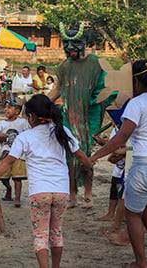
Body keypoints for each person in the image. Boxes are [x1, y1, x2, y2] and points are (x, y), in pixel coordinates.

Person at [0, 94, 94, 268]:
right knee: (56, 232)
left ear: (31, 117)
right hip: (61, 192)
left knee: (40, 235)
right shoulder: (63, 132)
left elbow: (9, 161)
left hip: (39, 192)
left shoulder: (26, 137)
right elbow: (80, 156)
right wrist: (89, 164)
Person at [90, 60, 147, 268]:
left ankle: (140, 262)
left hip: (146, 167)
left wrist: (96, 156)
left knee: (132, 214)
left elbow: (122, 136)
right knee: (145, 205)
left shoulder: (136, 104)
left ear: (136, 82)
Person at [48, 22, 116, 209]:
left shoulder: (96, 64)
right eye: (66, 44)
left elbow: (107, 89)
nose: (71, 48)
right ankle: (72, 195)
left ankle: (87, 193)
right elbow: (57, 91)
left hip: (89, 117)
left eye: (75, 43)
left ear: (84, 42)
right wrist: (42, 104)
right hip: (69, 116)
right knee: (69, 157)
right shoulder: (62, 67)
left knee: (85, 155)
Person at [0, 99, 30, 207]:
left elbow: (28, 134)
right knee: (3, 177)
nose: (6, 109)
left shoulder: (22, 122)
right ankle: (8, 189)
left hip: (19, 155)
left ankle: (17, 198)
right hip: (5, 153)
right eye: (5, 107)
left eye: (9, 107)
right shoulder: (1, 124)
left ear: (17, 111)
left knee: (17, 177)